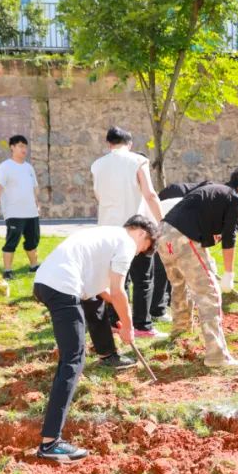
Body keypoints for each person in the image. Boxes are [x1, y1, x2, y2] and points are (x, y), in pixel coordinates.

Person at [32, 215, 158, 462]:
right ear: (143, 234)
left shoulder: (106, 235)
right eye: (145, 247)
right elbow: (119, 291)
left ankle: (107, 354)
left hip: (46, 283)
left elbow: (102, 291)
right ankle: (50, 442)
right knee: (73, 360)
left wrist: (122, 315)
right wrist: (128, 327)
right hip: (63, 288)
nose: (140, 252)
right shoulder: (126, 243)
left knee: (92, 306)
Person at [158, 165, 238, 368]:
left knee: (180, 285)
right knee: (209, 294)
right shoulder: (235, 199)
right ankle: (216, 356)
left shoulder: (214, 190)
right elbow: (230, 239)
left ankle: (180, 332)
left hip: (163, 235)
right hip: (183, 238)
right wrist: (228, 273)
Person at [90, 126, 165, 338]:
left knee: (115, 280)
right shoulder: (138, 161)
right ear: (130, 144)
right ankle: (142, 325)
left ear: (109, 144)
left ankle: (116, 322)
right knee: (143, 279)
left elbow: (98, 195)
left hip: (107, 229)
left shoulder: (97, 165)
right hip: (136, 230)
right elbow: (150, 194)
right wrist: (162, 222)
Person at [150, 180, 212, 322]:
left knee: (171, 267)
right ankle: (157, 311)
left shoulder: (198, 204)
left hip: (165, 226)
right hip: (155, 225)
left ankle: (166, 303)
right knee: (162, 268)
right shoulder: (198, 209)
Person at [0, 135, 41, 280]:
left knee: (33, 241)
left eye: (25, 146)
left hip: (31, 212)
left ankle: (34, 266)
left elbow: (34, 188)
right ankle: (8, 270)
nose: (24, 149)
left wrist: (37, 204)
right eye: (20, 146)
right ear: (12, 147)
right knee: (12, 241)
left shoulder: (29, 167)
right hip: (14, 212)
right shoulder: (5, 167)